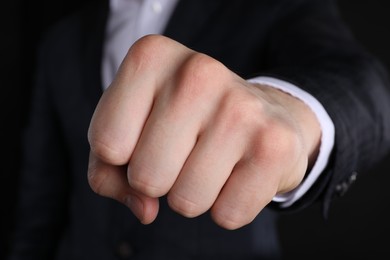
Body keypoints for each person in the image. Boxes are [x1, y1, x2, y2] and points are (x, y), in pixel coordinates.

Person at [7, 0, 390, 259]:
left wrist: (290, 113)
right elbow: (40, 197)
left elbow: (363, 85)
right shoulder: (61, 37)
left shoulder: (267, 7)